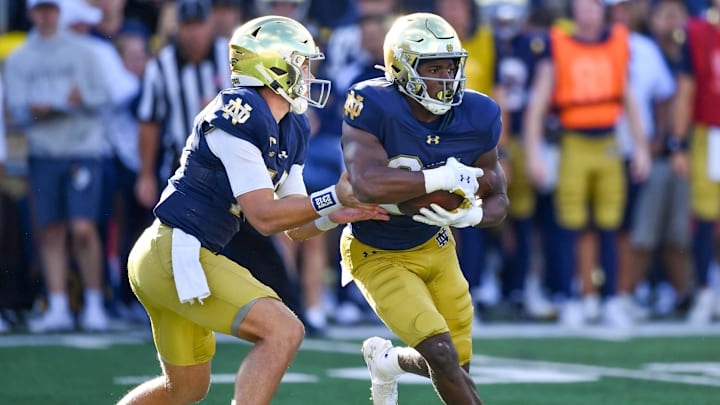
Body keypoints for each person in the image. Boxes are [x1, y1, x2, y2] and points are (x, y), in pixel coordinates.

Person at [116, 15, 387, 405]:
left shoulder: (292, 125)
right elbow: (262, 215)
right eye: (303, 64)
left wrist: (337, 213)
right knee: (283, 330)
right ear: (273, 66)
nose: (310, 75)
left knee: (186, 389)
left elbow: (292, 224)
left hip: (180, 255)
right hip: (175, 252)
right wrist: (333, 197)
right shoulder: (237, 113)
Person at [340, 13, 507, 405]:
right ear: (401, 68)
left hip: (437, 244)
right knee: (442, 354)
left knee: (455, 364)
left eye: (450, 67)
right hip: (378, 251)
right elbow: (366, 183)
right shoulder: (373, 104)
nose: (446, 78)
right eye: (433, 68)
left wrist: (474, 215)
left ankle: (388, 362)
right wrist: (439, 179)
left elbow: (499, 196)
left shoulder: (478, 114)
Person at [523, 0, 651, 328]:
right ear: (574, 11)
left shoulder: (617, 43)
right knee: (569, 223)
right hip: (573, 141)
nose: (588, 12)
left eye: (594, 5)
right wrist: (533, 151)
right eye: (583, 6)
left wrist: (641, 147)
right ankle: (571, 296)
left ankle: (610, 299)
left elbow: (629, 97)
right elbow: (538, 102)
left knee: (610, 224)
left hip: (608, 140)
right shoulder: (558, 45)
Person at [4, 0, 112, 333]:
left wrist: (67, 103)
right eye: (41, 9)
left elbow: (102, 96)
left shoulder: (84, 50)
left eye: (51, 8)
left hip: (82, 148)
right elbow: (19, 111)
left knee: (83, 227)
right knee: (51, 230)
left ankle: (94, 302)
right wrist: (51, 107)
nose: (47, 15)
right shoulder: (19, 57)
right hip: (44, 151)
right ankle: (59, 304)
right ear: (33, 14)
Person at [669, 0, 720, 325]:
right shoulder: (697, 33)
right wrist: (679, 143)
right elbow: (686, 90)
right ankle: (703, 291)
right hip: (708, 132)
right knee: (704, 218)